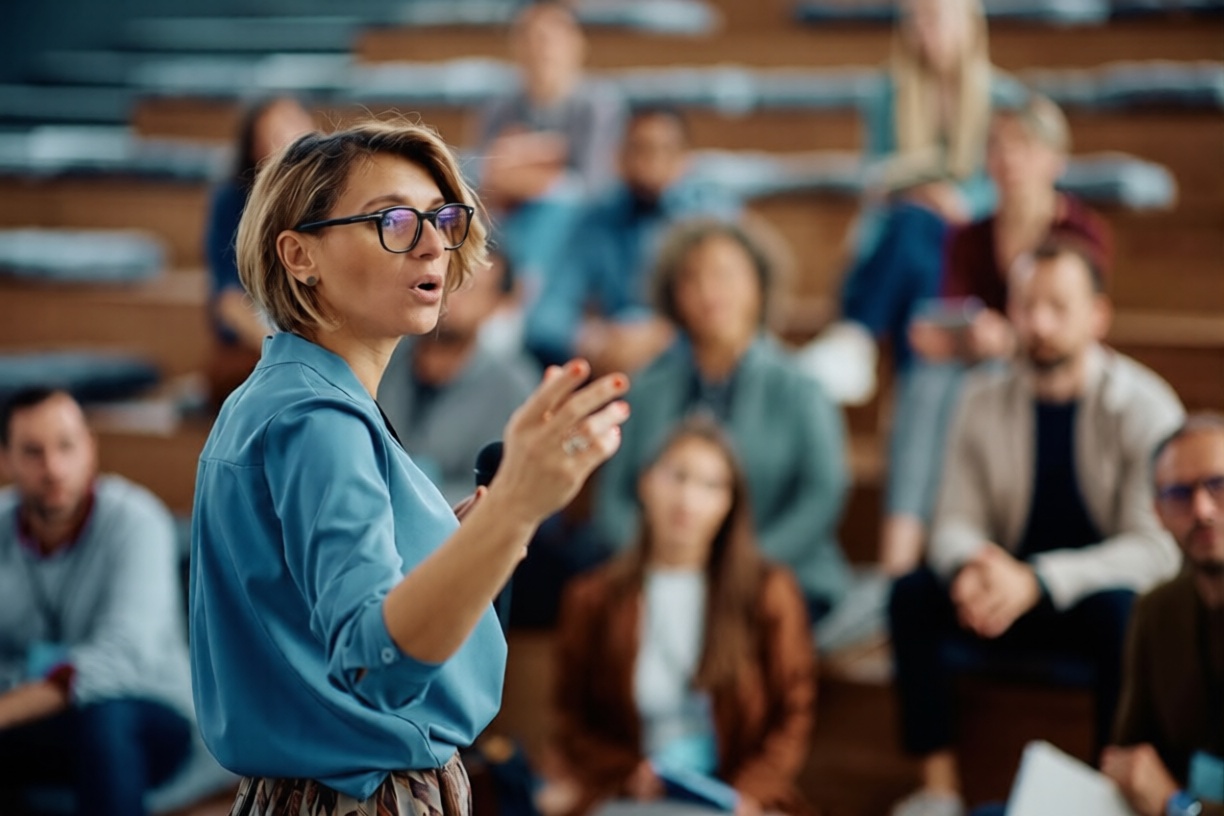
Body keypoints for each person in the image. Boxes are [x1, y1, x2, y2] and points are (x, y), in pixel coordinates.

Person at [190, 120, 631, 814]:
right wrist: (515, 509)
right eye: (392, 220)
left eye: (442, 219)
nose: (431, 245)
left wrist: (471, 534)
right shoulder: (319, 419)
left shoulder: (283, 394)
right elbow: (377, 665)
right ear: (300, 255)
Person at [887, 234, 1185, 816]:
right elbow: (953, 519)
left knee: (1126, 613)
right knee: (910, 595)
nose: (1040, 323)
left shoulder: (1145, 405)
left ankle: (1106, 795)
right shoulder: (979, 395)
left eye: (1058, 307)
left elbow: (1154, 548)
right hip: (1001, 598)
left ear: (1098, 315)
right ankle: (938, 791)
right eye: (1027, 306)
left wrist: (1039, 580)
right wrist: (974, 566)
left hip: (1085, 600)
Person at [880, 95, 1113, 575]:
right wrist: (947, 335)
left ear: (1055, 158)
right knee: (927, 379)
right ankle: (900, 557)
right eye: (997, 146)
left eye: (1022, 145)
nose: (1008, 158)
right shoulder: (970, 236)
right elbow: (954, 313)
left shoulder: (1081, 231)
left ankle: (923, 554)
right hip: (979, 364)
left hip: (1047, 361)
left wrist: (1010, 338)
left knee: (954, 385)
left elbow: (1077, 323)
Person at [550, 417, 816, 816]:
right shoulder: (593, 598)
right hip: (635, 795)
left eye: (711, 486)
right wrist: (626, 773)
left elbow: (792, 713)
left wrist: (749, 794)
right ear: (645, 482)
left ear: (730, 502)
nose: (688, 499)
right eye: (677, 476)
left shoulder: (767, 592)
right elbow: (571, 720)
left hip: (737, 798)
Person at [594, 219, 851, 623]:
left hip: (774, 576)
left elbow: (821, 496)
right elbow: (613, 499)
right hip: (656, 578)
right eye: (691, 278)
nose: (707, 291)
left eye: (724, 274)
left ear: (759, 285)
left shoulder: (801, 388)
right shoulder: (647, 388)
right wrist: (659, 562)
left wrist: (739, 569)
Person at [797, 0, 1022, 402]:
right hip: (906, 234)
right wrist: (915, 194)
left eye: (933, 18)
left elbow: (1007, 185)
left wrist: (957, 201)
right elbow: (875, 177)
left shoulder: (1001, 97)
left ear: (967, 23)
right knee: (917, 242)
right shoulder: (888, 93)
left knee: (918, 238)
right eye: (914, 20)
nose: (923, 30)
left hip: (969, 239)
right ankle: (912, 384)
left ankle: (858, 335)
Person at [0, 387, 194, 816]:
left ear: (90, 448)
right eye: (32, 452)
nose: (53, 468)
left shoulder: (137, 521)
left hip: (145, 710)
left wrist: (7, 709)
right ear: (5, 459)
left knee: (105, 718)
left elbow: (120, 657)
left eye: (66, 446)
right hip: (36, 716)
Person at [524, 106, 740, 374]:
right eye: (639, 149)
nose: (651, 163)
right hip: (611, 365)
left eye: (664, 150)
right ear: (618, 156)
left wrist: (662, 336)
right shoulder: (595, 221)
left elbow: (733, 311)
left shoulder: (711, 219)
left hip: (691, 365)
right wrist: (591, 339)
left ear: (685, 159)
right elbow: (545, 318)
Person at [1102, 414, 1224, 816]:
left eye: (1218, 485)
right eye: (1179, 494)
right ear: (1158, 512)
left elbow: (1163, 796)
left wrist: (1178, 806)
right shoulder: (1156, 611)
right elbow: (1130, 757)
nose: (1202, 510)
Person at [475, 0, 626, 291]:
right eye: (529, 38)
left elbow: (592, 188)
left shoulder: (598, 105)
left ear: (576, 45)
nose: (540, 50)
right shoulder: (498, 107)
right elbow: (486, 181)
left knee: (560, 203)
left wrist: (524, 168)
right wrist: (546, 162)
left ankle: (525, 291)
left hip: (576, 228)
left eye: (549, 39)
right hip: (510, 220)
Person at [379, 250, 538, 505]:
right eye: (447, 281)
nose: (452, 296)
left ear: (497, 304)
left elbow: (501, 488)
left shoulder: (511, 386)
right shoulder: (382, 353)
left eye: (470, 288)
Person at [204, 96, 314, 408]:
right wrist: (286, 350)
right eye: (276, 135)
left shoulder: (330, 196)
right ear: (255, 151)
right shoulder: (232, 202)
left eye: (296, 127)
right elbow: (228, 302)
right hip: (260, 345)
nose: (290, 142)